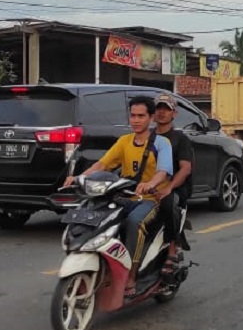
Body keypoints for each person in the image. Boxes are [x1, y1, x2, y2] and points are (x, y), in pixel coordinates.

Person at [66, 95, 173, 294]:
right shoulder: (124, 141)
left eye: (141, 116)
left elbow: (163, 172)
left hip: (149, 201)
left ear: (151, 118)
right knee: (97, 213)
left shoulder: (162, 143)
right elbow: (103, 164)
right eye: (132, 116)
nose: (136, 120)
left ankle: (131, 275)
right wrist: (79, 177)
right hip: (124, 197)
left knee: (134, 222)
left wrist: (150, 184)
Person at [152, 93, 193, 261]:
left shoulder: (180, 139)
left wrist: (169, 187)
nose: (161, 112)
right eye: (158, 108)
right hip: (148, 184)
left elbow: (185, 169)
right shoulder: (146, 136)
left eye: (166, 109)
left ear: (174, 114)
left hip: (175, 187)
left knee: (167, 204)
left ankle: (172, 246)